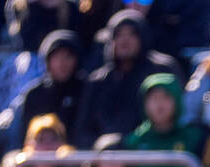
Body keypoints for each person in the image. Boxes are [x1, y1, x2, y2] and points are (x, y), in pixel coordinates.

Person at [74, 9, 182, 146]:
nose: (124, 40)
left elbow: (177, 116)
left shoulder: (162, 69)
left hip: (152, 151)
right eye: (118, 35)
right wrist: (104, 148)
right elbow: (83, 130)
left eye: (132, 34)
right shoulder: (98, 81)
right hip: (106, 159)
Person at [0, 30, 86, 163]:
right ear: (47, 60)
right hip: (36, 165)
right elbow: (22, 137)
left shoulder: (87, 90)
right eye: (56, 57)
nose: (62, 63)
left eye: (68, 57)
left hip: (77, 162)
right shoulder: (34, 94)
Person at [124, 73, 203, 167]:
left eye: (166, 97)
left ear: (177, 100)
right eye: (154, 98)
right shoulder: (134, 141)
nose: (159, 104)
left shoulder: (193, 138)